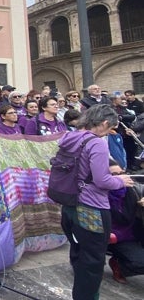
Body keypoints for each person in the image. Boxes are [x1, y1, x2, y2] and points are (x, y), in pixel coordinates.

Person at [59, 104, 134, 299]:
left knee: (79, 254)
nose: (110, 133)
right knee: (92, 262)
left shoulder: (70, 136)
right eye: (111, 128)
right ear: (105, 123)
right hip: (91, 208)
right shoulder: (97, 143)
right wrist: (120, 180)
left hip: (69, 205)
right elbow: (102, 180)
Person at [106, 162, 144, 284]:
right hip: (114, 237)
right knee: (141, 263)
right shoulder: (98, 195)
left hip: (134, 233)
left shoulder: (133, 189)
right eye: (114, 175)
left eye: (122, 173)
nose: (121, 177)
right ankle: (119, 266)